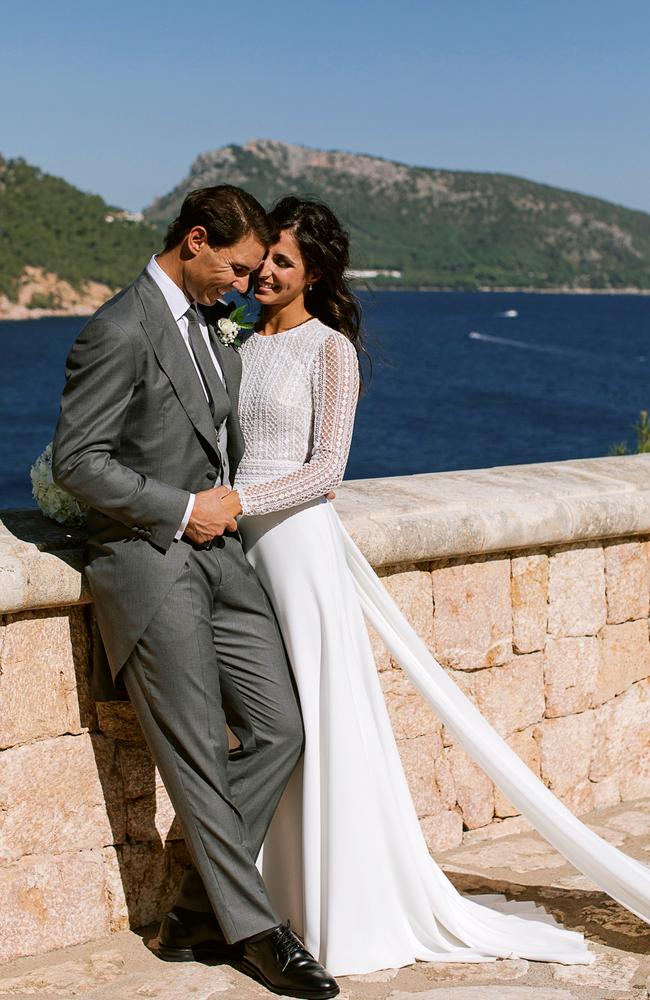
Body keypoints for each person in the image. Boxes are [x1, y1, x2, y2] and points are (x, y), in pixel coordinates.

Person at [221, 195, 650, 976]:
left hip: (299, 552)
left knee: (318, 721)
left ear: (315, 272)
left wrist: (239, 501)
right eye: (264, 259)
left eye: (284, 261)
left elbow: (326, 473)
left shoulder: (330, 352)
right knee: (268, 719)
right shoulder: (239, 344)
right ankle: (271, 895)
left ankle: (338, 905)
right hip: (240, 554)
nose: (266, 273)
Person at [52, 186, 340, 1000]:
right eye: (239, 268)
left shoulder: (215, 330)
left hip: (225, 563)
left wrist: (218, 511)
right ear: (197, 240)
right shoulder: (116, 327)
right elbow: (79, 460)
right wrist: (181, 509)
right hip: (149, 564)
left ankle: (190, 910)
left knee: (282, 729)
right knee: (198, 759)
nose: (247, 285)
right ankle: (256, 931)